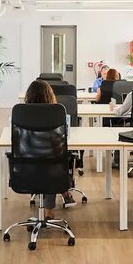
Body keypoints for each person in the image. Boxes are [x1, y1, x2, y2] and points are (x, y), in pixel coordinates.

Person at [23, 80, 76, 217]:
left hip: (25, 168)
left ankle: (50, 207)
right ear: (50, 96)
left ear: (28, 96)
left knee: (47, 162)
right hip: (52, 168)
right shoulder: (57, 114)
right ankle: (49, 210)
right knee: (52, 162)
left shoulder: (20, 113)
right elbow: (62, 139)